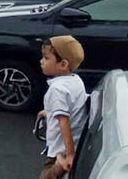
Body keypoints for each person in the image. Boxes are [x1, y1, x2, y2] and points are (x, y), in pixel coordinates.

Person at [37, 36, 87, 179]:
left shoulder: (57, 89)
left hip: (60, 151)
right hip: (76, 143)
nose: (41, 61)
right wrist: (50, 112)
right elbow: (73, 106)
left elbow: (63, 121)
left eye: (46, 58)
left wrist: (69, 155)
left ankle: (59, 164)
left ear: (63, 64)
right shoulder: (75, 80)